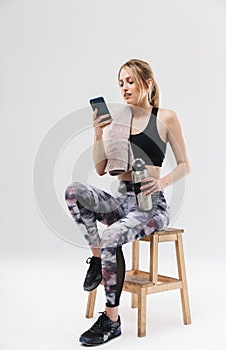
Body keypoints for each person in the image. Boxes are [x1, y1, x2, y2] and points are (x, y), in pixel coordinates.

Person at [65, 58, 191, 346]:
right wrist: (98, 133)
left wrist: (162, 181)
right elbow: (100, 168)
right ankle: (98, 258)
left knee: (112, 235)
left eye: (130, 81)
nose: (124, 87)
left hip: (150, 206)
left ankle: (111, 320)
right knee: (74, 191)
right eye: (120, 82)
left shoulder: (166, 118)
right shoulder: (118, 122)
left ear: (147, 83)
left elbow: (185, 164)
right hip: (122, 201)